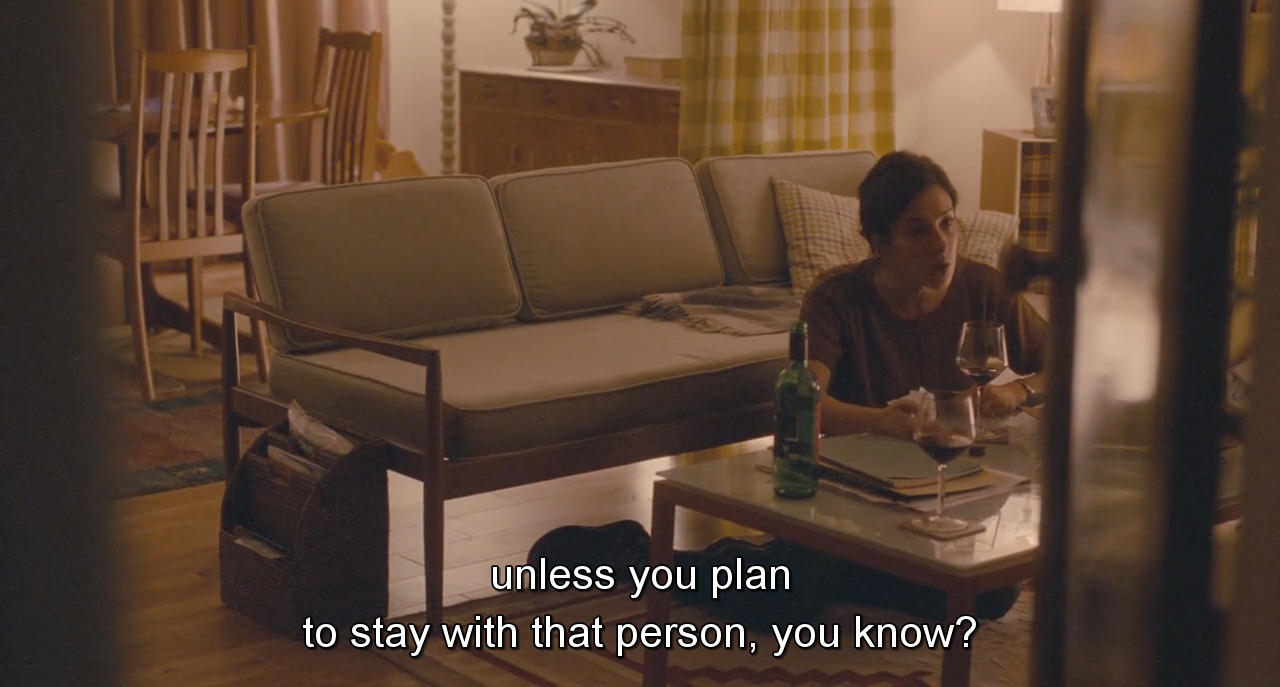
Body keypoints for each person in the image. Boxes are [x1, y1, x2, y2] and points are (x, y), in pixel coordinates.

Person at [529, 151, 1048, 627]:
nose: (941, 243)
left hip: (941, 490)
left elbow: (1066, 364)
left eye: (948, 222)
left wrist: (1018, 393)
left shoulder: (983, 288)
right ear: (878, 242)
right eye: (917, 231)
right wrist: (881, 422)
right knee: (784, 601)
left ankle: (828, 572)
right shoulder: (838, 298)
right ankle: (636, 555)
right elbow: (805, 401)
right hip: (850, 491)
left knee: (991, 594)